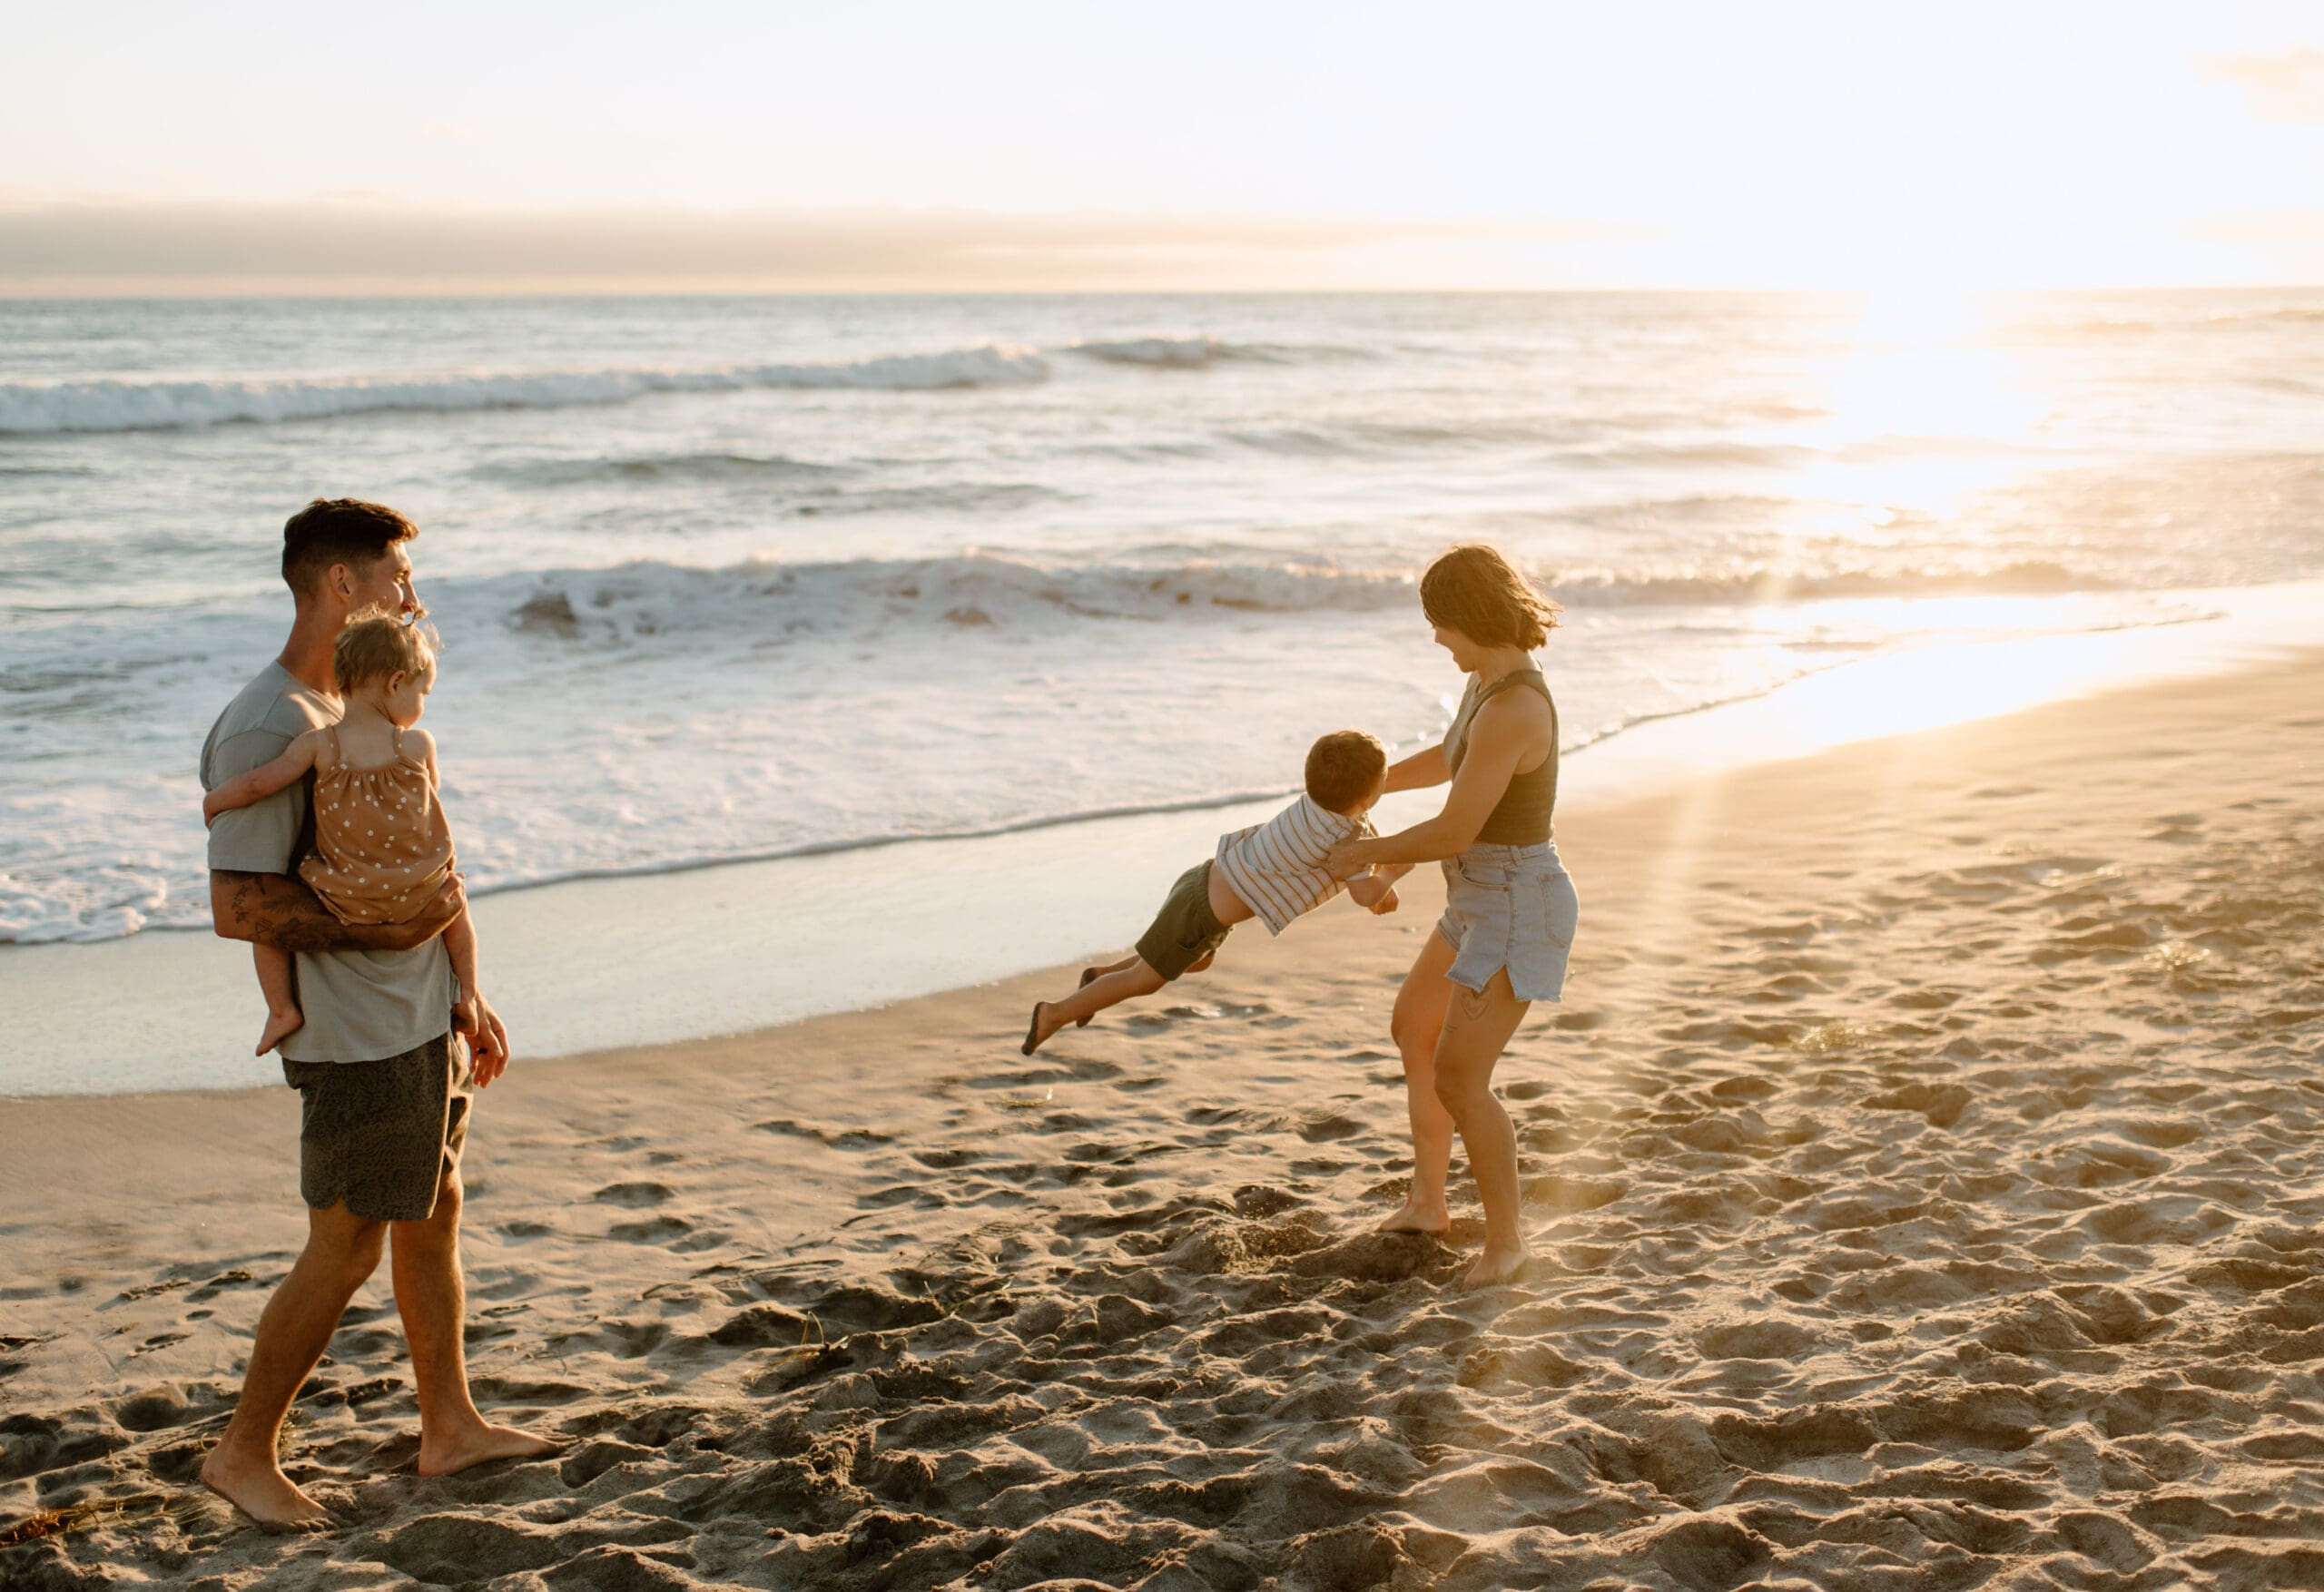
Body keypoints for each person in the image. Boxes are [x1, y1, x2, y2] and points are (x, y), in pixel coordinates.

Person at [196, 498, 549, 1527]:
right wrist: (395, 939)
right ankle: (241, 1450)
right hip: (355, 1035)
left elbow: (421, 858)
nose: (413, 596)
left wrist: (464, 989)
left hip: (419, 1015)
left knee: (433, 1207)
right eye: (397, 577)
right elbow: (241, 902)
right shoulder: (271, 725)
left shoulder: (358, 713)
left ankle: (449, 1426)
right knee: (346, 1242)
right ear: (340, 585)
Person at [1325, 545, 1578, 1289]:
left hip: (1516, 902)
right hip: (1476, 896)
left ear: (1471, 617)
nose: (1438, 639)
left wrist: (1362, 859)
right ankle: (1429, 1203)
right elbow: (1448, 758)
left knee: (1463, 1079)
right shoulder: (1485, 682)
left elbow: (1454, 830)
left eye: (1442, 625)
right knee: (1414, 1030)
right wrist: (1367, 793)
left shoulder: (1517, 707)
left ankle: (1507, 1245)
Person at [1021, 730, 1411, 1055]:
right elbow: (1362, 893)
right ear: (1369, 794)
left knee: (1197, 961)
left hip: (1203, 884)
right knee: (1144, 980)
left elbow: (1362, 842)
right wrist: (1390, 874)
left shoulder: (1320, 806)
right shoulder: (1343, 838)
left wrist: (1375, 878)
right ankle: (1053, 1013)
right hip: (1199, 912)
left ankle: (1100, 976)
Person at [203, 609, 479, 1058]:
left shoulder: (318, 745)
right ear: (394, 684)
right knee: (456, 902)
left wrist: (215, 801)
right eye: (421, 692)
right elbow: (430, 811)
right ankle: (467, 995)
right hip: (417, 891)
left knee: (268, 921)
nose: (422, 705)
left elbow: (259, 783)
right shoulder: (416, 744)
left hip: (345, 894)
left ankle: (281, 1009)